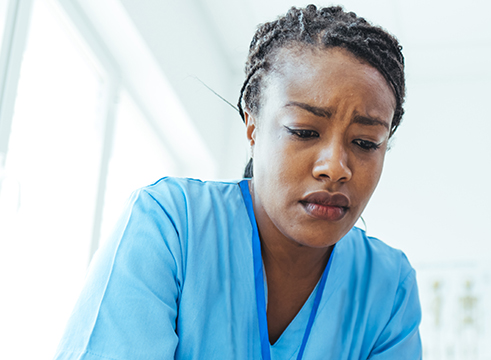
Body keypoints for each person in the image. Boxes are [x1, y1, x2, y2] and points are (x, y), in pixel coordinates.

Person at [54, 4, 422, 360]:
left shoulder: (389, 288)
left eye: (365, 143)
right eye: (304, 131)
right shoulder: (172, 225)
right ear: (252, 126)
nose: (335, 167)